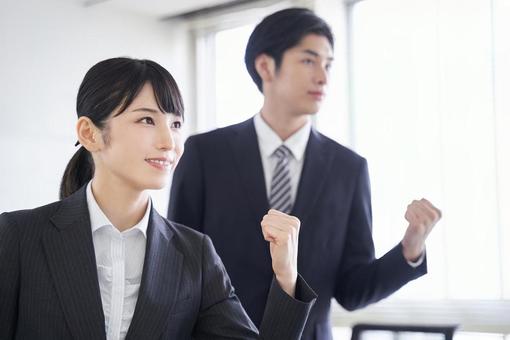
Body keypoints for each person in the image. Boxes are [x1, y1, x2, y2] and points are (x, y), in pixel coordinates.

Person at [167, 7, 442, 340]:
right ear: (266, 66)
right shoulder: (204, 154)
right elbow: (177, 270)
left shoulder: (348, 169)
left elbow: (352, 290)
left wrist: (409, 250)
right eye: (309, 61)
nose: (323, 77)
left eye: (328, 65)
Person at [0, 57, 318, 340]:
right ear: (89, 133)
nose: (170, 142)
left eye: (176, 124)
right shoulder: (18, 236)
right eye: (147, 120)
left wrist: (286, 276)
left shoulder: (196, 255)